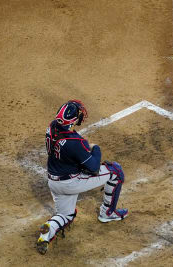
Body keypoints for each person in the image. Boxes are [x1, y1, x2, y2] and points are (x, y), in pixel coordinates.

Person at [36, 99, 128, 254]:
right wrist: (95, 148)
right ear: (72, 120)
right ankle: (108, 213)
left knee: (66, 215)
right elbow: (93, 168)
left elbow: (72, 141)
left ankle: (48, 231)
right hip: (71, 182)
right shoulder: (74, 143)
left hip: (54, 181)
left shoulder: (51, 127)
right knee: (115, 171)